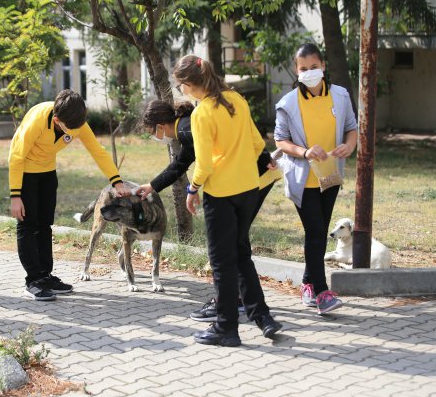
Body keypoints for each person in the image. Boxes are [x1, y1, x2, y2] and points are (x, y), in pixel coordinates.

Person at [135, 99, 282, 323]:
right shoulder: (185, 127)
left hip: (249, 179)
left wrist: (192, 189)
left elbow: (208, 156)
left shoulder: (185, 129)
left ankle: (232, 301)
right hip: (253, 177)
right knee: (237, 243)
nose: (154, 137)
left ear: (160, 126)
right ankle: (242, 301)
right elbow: (181, 163)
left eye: (151, 131)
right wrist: (152, 185)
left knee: (231, 244)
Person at [172, 55, 282, 347]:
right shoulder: (236, 100)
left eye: (181, 86)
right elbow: (258, 142)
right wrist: (264, 159)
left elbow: (204, 163)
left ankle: (226, 328)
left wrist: (192, 190)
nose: (182, 91)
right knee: (241, 254)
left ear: (191, 85)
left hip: (220, 194)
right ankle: (264, 318)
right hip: (248, 188)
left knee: (222, 262)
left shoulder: (201, 112)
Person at [9, 89, 131, 301]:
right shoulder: (38, 120)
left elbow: (97, 151)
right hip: (26, 172)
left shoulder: (76, 121)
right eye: (71, 128)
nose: (76, 131)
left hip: (47, 171)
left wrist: (116, 181)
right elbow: (17, 157)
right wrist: (15, 195)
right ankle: (33, 280)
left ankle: (46, 276)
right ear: (56, 120)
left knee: (45, 224)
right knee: (28, 224)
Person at [273, 43, 358, 315]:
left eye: (314, 67)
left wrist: (349, 146)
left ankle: (307, 284)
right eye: (303, 68)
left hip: (330, 176)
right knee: (315, 230)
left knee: (320, 232)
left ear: (323, 66)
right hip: (302, 179)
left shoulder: (341, 96)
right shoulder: (288, 103)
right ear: (296, 71)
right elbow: (280, 140)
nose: (309, 72)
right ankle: (322, 293)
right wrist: (305, 151)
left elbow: (352, 128)